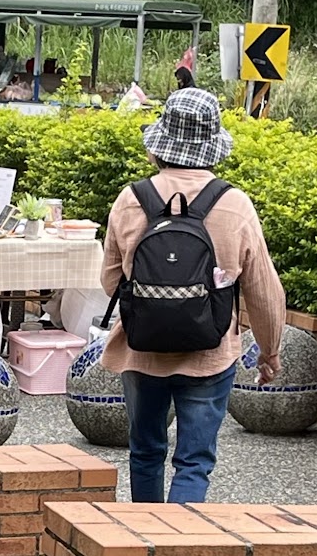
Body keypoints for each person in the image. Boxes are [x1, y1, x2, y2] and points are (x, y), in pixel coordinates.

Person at [100, 87, 286, 504]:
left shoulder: (131, 199)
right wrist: (269, 351)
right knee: (194, 462)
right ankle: (180, 536)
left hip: (142, 352)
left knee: (145, 452)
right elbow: (264, 291)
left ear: (160, 144)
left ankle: (145, 534)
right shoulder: (234, 205)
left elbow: (111, 280)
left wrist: (153, 304)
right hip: (210, 352)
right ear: (212, 148)